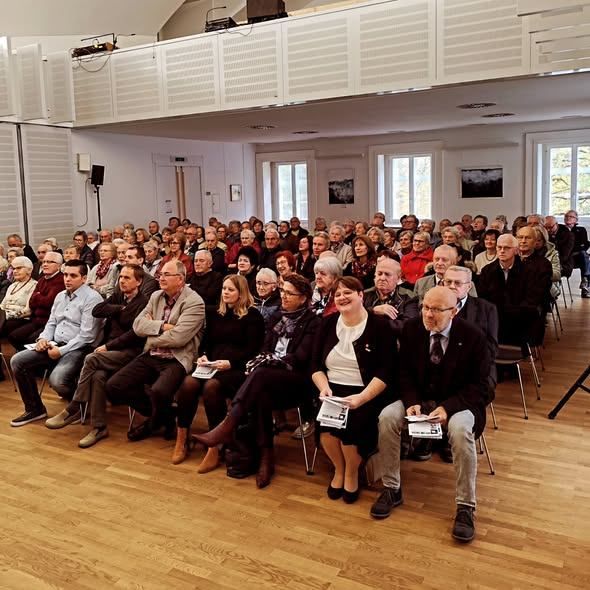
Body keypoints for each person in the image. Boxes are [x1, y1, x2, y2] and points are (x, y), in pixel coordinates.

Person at [371, 287, 491, 543]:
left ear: (454, 311)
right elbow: (403, 372)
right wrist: (412, 401)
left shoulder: (473, 337)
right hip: (420, 397)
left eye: (436, 310)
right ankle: (392, 488)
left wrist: (448, 408)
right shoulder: (412, 329)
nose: (428, 314)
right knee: (387, 417)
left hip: (458, 402)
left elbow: (481, 386)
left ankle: (466, 506)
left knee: (459, 431)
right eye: (425, 307)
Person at [312, 276, 397, 504]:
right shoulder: (327, 324)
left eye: (348, 292)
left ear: (361, 295)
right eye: (337, 294)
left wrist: (361, 398)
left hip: (366, 390)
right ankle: (339, 470)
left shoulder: (380, 326)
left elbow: (386, 372)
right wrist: (324, 389)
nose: (342, 297)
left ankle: (351, 473)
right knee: (326, 429)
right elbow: (314, 366)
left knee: (353, 426)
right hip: (331, 389)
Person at [44, 265, 149, 447]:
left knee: (91, 358)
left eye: (127, 278)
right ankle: (99, 427)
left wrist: (108, 345)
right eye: (120, 277)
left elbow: (134, 333)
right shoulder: (119, 296)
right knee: (98, 376)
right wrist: (118, 308)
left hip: (130, 352)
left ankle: (75, 406)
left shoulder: (144, 302)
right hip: (110, 351)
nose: (122, 281)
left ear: (139, 281)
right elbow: (98, 310)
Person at [172, 274, 265, 470]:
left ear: (241, 293)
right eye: (224, 289)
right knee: (189, 383)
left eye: (230, 289)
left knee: (212, 387)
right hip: (212, 365)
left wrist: (231, 363)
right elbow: (206, 343)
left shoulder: (253, 316)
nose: (225, 293)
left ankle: (215, 444)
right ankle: (182, 438)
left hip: (237, 368)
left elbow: (254, 349)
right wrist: (203, 356)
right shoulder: (215, 313)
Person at [106, 260, 205, 442]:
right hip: (152, 354)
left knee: (159, 391)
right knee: (114, 386)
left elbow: (179, 338)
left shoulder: (194, 302)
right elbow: (137, 326)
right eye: (160, 274)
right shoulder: (156, 296)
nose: (161, 277)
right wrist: (163, 326)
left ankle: (153, 423)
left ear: (180, 279)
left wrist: (151, 334)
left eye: (167, 274)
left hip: (177, 358)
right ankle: (165, 417)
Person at [9, 260, 104, 426]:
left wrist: (61, 351)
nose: (67, 279)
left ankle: (80, 405)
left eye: (73, 276)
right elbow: (52, 323)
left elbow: (87, 336)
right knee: (17, 361)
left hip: (79, 348)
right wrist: (43, 339)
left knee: (58, 380)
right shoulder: (61, 296)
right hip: (55, 343)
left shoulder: (92, 298)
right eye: (66, 274)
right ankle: (35, 409)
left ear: (83, 278)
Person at [478, 234, 551, 346]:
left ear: (516, 250)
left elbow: (532, 298)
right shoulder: (487, 271)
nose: (502, 251)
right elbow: (483, 298)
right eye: (499, 247)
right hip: (495, 317)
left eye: (507, 248)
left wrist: (512, 314)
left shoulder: (529, 271)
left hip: (521, 318)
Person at [8, 251, 64, 351]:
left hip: (48, 322)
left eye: (50, 262)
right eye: (44, 261)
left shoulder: (61, 280)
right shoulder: (42, 279)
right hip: (36, 320)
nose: (45, 264)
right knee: (14, 336)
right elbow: (31, 303)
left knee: (30, 340)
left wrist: (38, 296)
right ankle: (25, 359)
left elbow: (48, 302)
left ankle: (32, 361)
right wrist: (39, 297)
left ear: (59, 265)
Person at [363, 257, 418, 337]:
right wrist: (373, 310)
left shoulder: (409, 297)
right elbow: (354, 318)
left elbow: (408, 326)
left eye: (387, 274)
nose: (382, 278)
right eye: (379, 274)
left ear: (398, 278)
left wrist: (373, 320)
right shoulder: (365, 294)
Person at [0, 257, 37, 344]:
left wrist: (7, 315)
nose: (15, 271)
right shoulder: (12, 285)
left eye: (19, 268)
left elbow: (28, 311)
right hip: (4, 318)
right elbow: (2, 305)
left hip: (21, 319)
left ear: (29, 270)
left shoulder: (34, 285)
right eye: (13, 268)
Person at [563, 209, 590, 297]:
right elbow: (561, 246)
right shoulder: (561, 230)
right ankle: (585, 283)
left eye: (571, 216)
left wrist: (573, 248)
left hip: (577, 257)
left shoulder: (581, 230)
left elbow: (584, 245)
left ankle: (585, 284)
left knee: (584, 255)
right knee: (585, 257)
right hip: (565, 258)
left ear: (576, 220)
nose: (568, 218)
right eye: (566, 216)